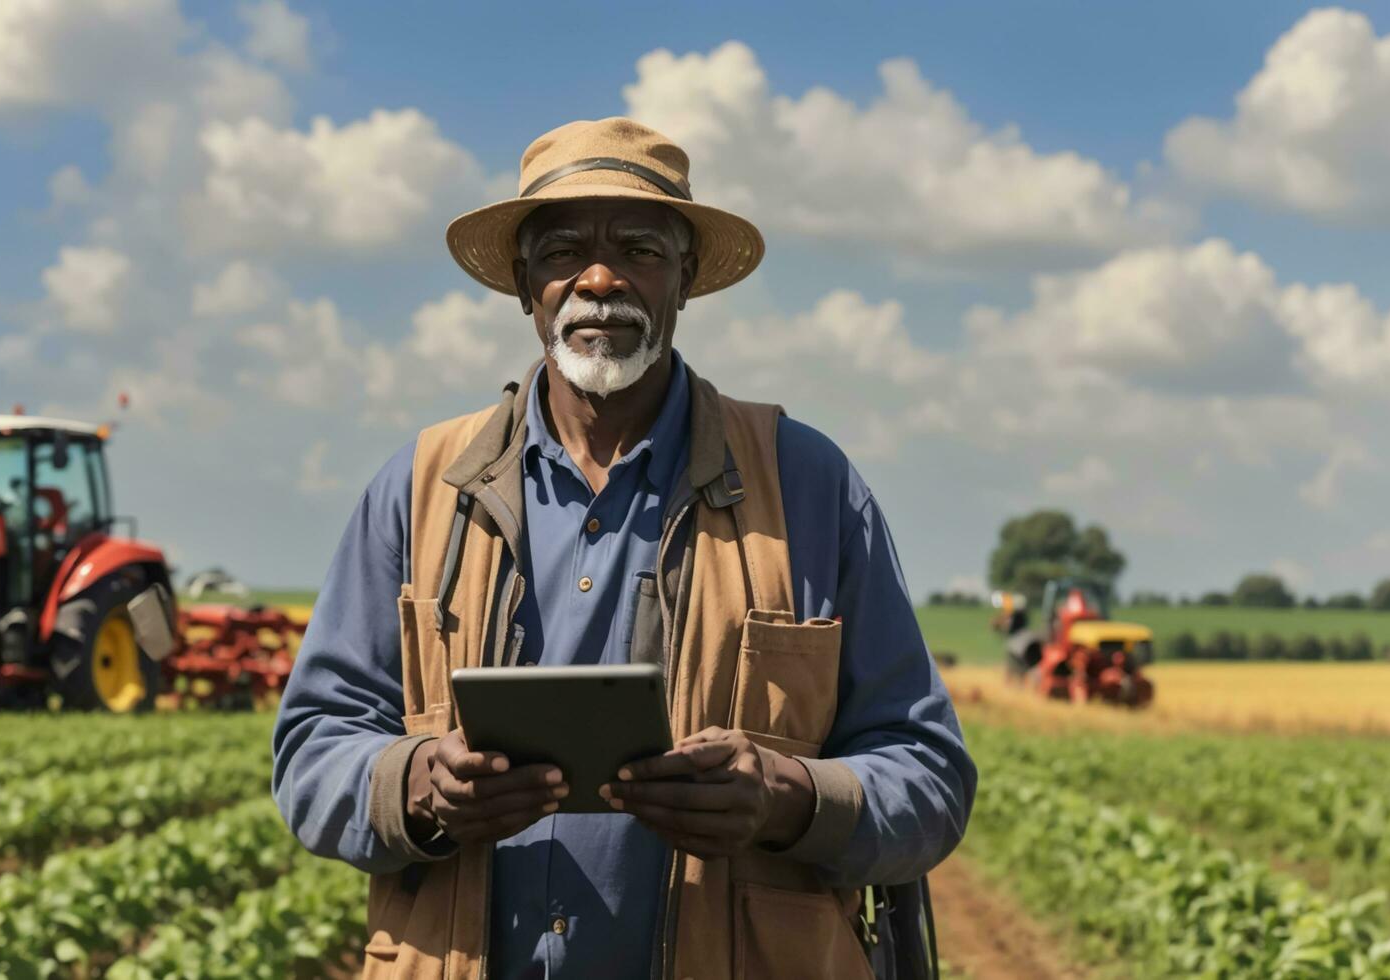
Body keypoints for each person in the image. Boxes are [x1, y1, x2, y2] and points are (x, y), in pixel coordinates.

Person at [272, 117, 975, 980]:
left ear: (685, 282)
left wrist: (786, 799)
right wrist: (422, 785)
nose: (599, 278)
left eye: (640, 248)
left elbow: (931, 775)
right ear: (525, 285)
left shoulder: (808, 485)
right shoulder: (421, 490)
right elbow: (312, 748)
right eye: (564, 249)